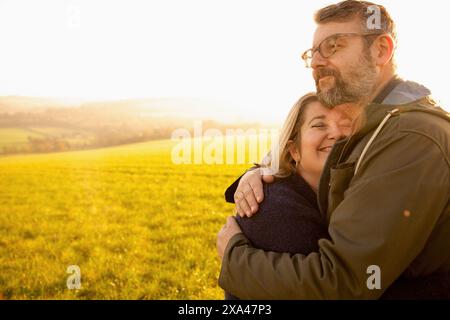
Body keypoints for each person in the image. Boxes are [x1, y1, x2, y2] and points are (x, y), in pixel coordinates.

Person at [217, 0, 450, 299]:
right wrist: (263, 169)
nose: (316, 62)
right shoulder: (375, 127)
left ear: (381, 50)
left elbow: (345, 284)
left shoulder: (409, 137)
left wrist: (236, 260)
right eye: (312, 53)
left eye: (333, 46)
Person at [225, 93, 353, 299]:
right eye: (320, 125)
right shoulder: (278, 208)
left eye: (344, 124)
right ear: (294, 150)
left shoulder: (337, 195)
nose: (336, 133)